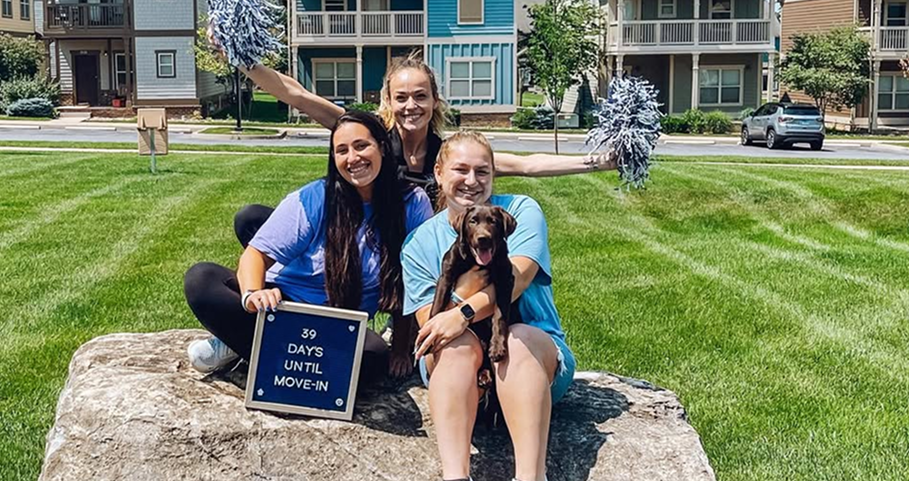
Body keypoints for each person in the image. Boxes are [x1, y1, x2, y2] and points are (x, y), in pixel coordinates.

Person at [222, 49, 617, 245]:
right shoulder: (369, 137)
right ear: (388, 101)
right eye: (402, 97)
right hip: (354, 241)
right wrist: (239, 57)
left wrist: (603, 161)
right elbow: (297, 94)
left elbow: (528, 164)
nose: (411, 106)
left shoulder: (448, 157)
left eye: (421, 96)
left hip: (411, 253)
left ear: (435, 101)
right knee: (253, 219)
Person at [184, 111, 433, 381]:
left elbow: (412, 281)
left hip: (340, 324)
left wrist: (399, 349)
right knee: (201, 279)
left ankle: (248, 345)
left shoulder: (413, 203)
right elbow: (255, 256)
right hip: (281, 309)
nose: (353, 158)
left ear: (382, 147)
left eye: (362, 146)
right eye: (342, 151)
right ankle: (266, 347)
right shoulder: (315, 197)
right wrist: (253, 295)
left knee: (373, 362)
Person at [401, 131, 575, 481]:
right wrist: (455, 313)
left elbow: (518, 279)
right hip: (458, 373)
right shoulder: (419, 243)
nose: (471, 181)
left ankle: (531, 476)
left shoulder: (520, 212)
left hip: (534, 361)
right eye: (460, 169)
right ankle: (455, 476)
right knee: (454, 347)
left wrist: (462, 312)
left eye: (482, 171)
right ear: (438, 172)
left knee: (516, 338)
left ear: (494, 174)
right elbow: (432, 329)